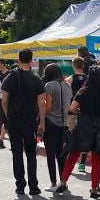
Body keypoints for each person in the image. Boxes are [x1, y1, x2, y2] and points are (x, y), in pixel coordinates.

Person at [56, 66, 100, 199]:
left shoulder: (83, 91)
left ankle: (63, 181)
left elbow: (72, 108)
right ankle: (94, 188)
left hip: (83, 126)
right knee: (97, 158)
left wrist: (82, 113)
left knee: (73, 154)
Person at [0, 49, 46, 195]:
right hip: (30, 121)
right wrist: (42, 123)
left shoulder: (10, 78)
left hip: (14, 120)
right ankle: (33, 185)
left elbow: (4, 101)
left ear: (18, 60)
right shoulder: (37, 79)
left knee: (17, 153)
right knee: (31, 153)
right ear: (32, 60)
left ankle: (20, 185)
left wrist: (8, 117)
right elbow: (41, 103)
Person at [42, 63, 72, 192]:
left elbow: (48, 107)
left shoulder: (49, 85)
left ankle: (53, 183)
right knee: (61, 154)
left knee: (50, 154)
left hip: (51, 123)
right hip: (63, 124)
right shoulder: (67, 86)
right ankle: (63, 181)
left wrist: (40, 105)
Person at [65, 56, 90, 172]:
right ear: (83, 65)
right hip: (85, 112)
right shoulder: (89, 79)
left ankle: (67, 160)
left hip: (71, 111)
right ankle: (82, 163)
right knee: (85, 137)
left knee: (69, 135)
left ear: (73, 65)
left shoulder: (69, 80)